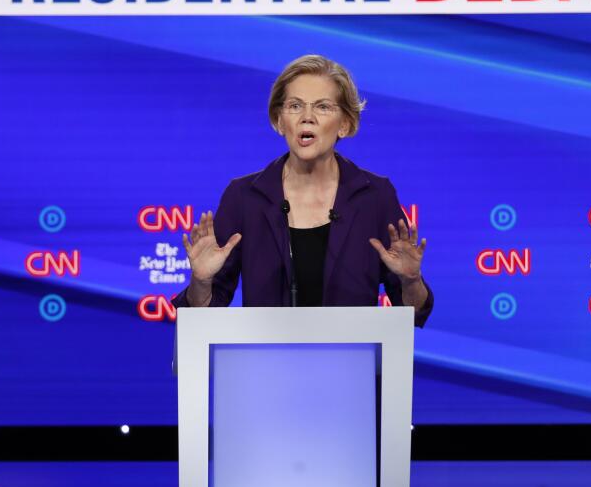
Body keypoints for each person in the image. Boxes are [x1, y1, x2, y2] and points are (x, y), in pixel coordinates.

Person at [172, 54, 432, 325]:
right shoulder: (244, 197)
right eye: (295, 106)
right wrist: (201, 281)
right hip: (265, 363)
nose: (307, 118)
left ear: (344, 124)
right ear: (280, 120)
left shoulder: (375, 196)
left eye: (322, 107)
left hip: (352, 363)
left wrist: (410, 280)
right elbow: (203, 315)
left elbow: (412, 313)